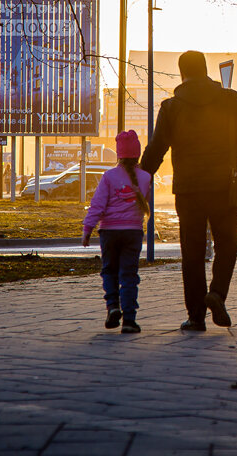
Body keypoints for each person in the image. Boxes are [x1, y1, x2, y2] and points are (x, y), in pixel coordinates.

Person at [141, 50, 237, 332]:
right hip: (225, 187)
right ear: (206, 70)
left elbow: (157, 148)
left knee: (193, 252)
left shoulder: (171, 107)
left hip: (188, 190)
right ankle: (217, 293)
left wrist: (138, 177)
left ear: (182, 74)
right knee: (227, 245)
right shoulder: (231, 100)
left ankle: (195, 316)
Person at [82, 130, 151, 333]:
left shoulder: (109, 176)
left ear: (119, 155)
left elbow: (98, 205)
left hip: (109, 233)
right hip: (133, 232)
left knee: (109, 271)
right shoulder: (146, 177)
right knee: (129, 275)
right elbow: (146, 203)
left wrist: (87, 229)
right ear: (137, 154)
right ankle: (129, 320)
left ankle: (112, 307)